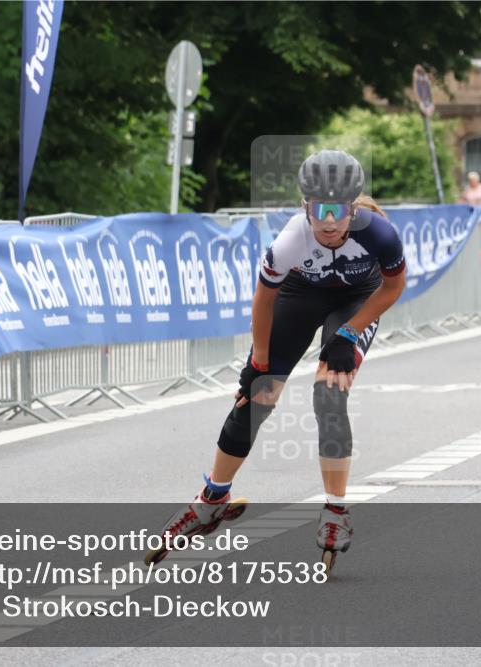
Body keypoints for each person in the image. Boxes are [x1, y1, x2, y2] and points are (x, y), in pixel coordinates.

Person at [150, 150, 406, 569]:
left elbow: (394, 288)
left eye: (338, 210)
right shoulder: (291, 239)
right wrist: (260, 361)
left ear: (353, 208)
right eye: (317, 209)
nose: (327, 221)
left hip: (359, 298)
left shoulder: (378, 233)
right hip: (301, 295)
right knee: (257, 397)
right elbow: (264, 298)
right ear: (304, 206)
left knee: (330, 393)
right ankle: (213, 499)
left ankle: (336, 512)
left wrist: (349, 332)